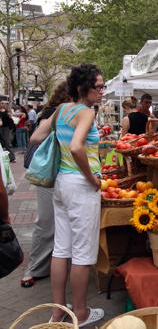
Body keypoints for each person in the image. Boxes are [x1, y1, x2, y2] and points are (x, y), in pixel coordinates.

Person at [30, 63, 104, 326]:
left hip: (61, 184)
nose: (102, 91)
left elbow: (36, 136)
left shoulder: (61, 109)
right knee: (83, 254)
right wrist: (92, 179)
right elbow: (76, 147)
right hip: (81, 187)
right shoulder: (85, 112)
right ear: (84, 88)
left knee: (61, 249)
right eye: (99, 87)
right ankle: (81, 314)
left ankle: (58, 311)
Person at [21, 82, 71, 288]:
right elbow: (36, 138)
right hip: (51, 172)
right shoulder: (55, 112)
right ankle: (34, 268)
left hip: (63, 173)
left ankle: (53, 263)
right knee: (46, 221)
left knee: (56, 221)